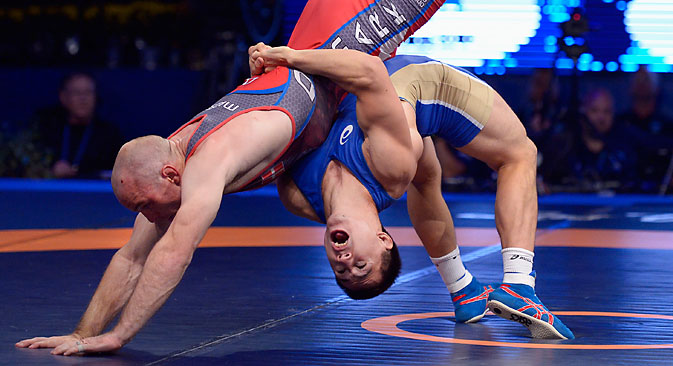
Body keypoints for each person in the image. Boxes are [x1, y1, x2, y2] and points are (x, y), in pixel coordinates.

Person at [15, 0, 445, 356]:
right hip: (316, 50)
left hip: (342, 33)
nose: (147, 215)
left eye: (145, 204)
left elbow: (175, 253)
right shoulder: (175, 163)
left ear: (168, 175)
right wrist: (81, 332)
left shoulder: (209, 161)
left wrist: (118, 336)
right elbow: (132, 257)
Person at [252, 46, 574, 339]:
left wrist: (265, 73)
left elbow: (279, 124)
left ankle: (463, 290)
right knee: (519, 153)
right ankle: (518, 280)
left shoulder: (297, 196)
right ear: (383, 239)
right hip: (418, 86)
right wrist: (288, 57)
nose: (347, 262)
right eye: (360, 266)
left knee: (424, 175)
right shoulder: (389, 166)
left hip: (379, 108)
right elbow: (371, 72)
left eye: (341, 271)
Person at [31, 72, 125, 178]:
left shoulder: (110, 135)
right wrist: (50, 170)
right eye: (76, 92)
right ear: (63, 97)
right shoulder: (46, 129)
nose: (83, 98)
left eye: (88, 92)